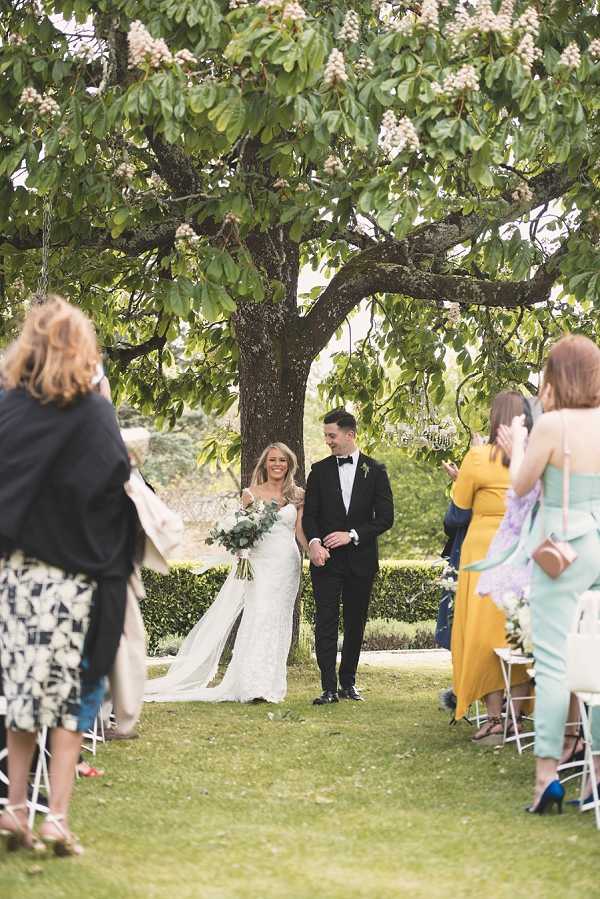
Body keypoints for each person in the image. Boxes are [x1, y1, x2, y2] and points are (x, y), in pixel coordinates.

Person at [0, 296, 136, 856]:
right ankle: (55, 818)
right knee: (73, 696)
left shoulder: (7, 408)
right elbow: (115, 474)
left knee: (21, 695)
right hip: (76, 582)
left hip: (16, 577)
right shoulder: (92, 412)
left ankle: (12, 809)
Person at [497, 335, 600, 814]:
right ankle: (595, 776)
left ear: (557, 375)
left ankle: (546, 777)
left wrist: (518, 446)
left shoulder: (554, 424)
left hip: (564, 546)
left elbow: (520, 486)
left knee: (557, 662)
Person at [145, 442, 305, 704]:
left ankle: (271, 683)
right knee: (259, 615)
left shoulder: (298, 496)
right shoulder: (250, 494)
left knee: (279, 620)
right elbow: (242, 529)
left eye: (283, 461)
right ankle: (251, 684)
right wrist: (240, 547)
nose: (277, 465)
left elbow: (299, 531)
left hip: (287, 564)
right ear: (265, 463)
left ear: (289, 465)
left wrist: (314, 547)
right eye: (273, 460)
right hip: (260, 564)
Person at [450, 391, 531, 740]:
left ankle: (495, 718)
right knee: (521, 631)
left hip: (484, 548)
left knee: (482, 634)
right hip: (524, 545)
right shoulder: (534, 456)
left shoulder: (478, 456)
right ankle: (517, 715)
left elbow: (459, 506)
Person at [302, 409, 394, 705]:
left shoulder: (376, 470)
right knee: (326, 621)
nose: (328, 441)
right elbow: (310, 516)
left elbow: (385, 518)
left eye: (332, 435)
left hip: (361, 559)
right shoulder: (319, 470)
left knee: (356, 623)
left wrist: (351, 534)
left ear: (350, 434)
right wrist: (315, 544)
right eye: (327, 436)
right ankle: (328, 688)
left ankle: (348, 682)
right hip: (325, 561)